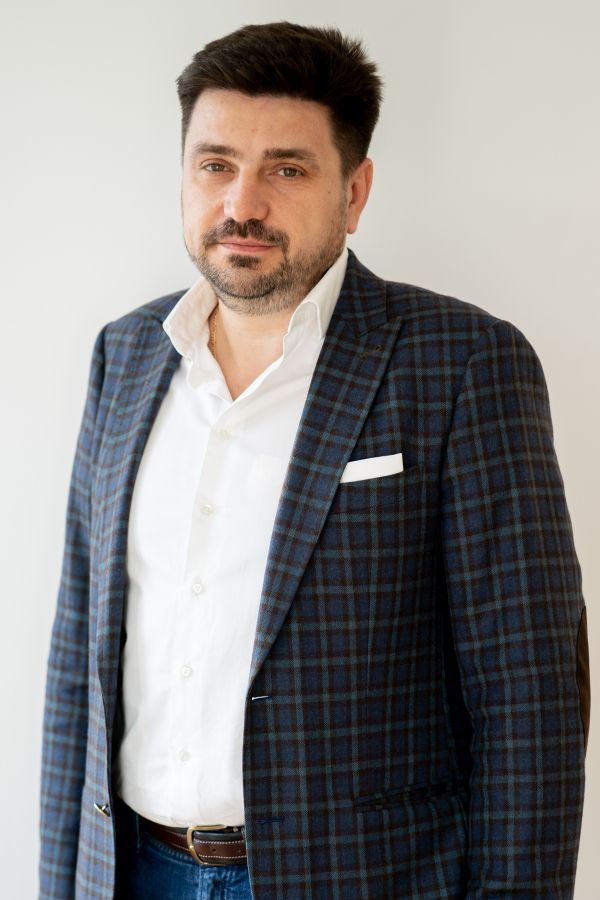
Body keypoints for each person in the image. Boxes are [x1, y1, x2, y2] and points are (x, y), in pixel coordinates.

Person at [40, 21, 590, 900]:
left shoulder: (461, 364)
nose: (242, 203)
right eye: (215, 164)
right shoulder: (127, 355)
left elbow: (530, 694)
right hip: (132, 871)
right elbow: (79, 657)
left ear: (354, 190)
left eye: (287, 170)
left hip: (363, 878)